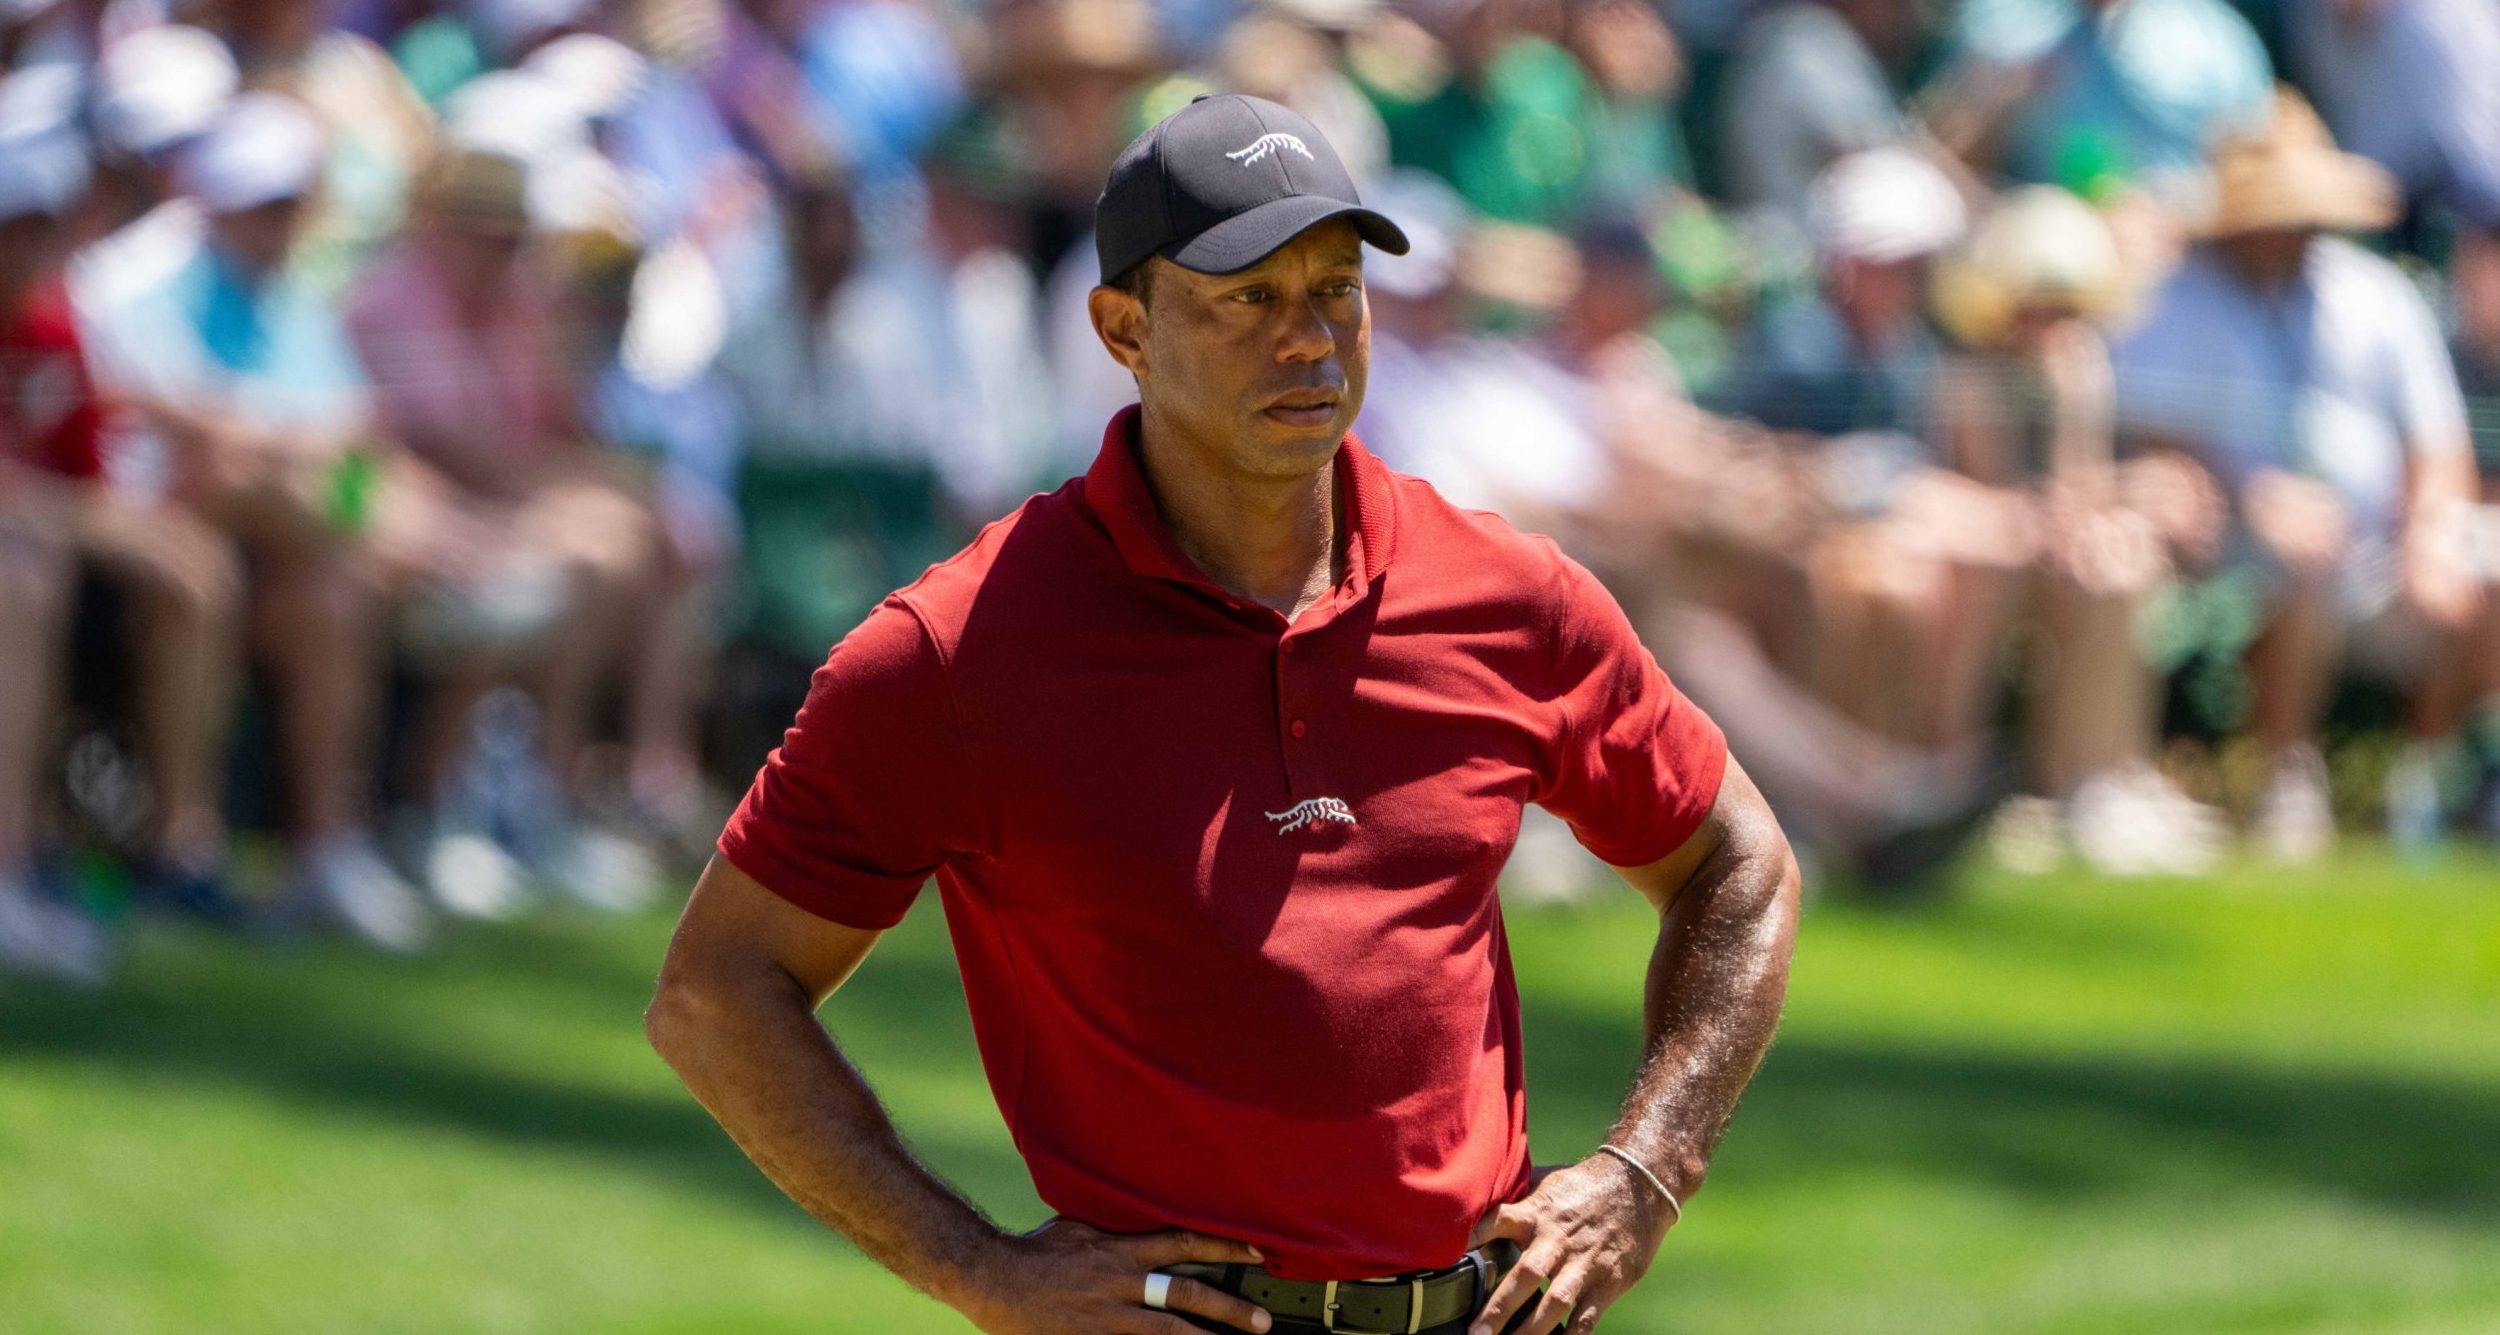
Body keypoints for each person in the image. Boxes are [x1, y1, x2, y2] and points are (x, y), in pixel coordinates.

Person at [650, 95, 1799, 1335]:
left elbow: (1737, 862)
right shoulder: (960, 649)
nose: (1308, 339)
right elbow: (718, 993)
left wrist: (1643, 1173)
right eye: (1246, 298)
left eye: (1335, 289)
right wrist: (975, 1268)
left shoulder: (1507, 594)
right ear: (1123, 329)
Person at [2115, 91, 2491, 860]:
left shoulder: (2376, 295)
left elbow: (2438, 446)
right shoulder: (2177, 301)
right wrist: (2249, 499)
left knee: (2480, 561)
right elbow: (2149, 440)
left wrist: (2428, 536)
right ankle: (2287, 773)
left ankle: (2434, 774)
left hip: (2381, 560)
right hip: (2223, 562)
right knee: (2304, 552)